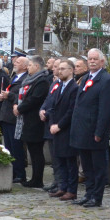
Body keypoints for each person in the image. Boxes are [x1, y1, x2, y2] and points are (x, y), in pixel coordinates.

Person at [69, 49, 110, 208]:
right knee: (87, 166)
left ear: (102, 62)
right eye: (89, 59)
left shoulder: (107, 80)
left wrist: (99, 131)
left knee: (98, 166)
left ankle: (97, 197)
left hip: (95, 130)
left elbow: (105, 109)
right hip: (82, 130)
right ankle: (88, 194)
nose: (92, 61)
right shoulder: (86, 78)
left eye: (95, 59)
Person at [45, 58, 80, 200]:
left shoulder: (74, 88)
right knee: (59, 160)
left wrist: (59, 126)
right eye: (58, 69)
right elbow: (52, 106)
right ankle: (62, 186)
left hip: (67, 129)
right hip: (55, 127)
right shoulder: (59, 86)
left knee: (70, 161)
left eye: (63, 69)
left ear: (71, 70)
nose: (59, 71)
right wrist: (52, 123)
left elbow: (71, 111)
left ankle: (71, 190)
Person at [14, 56, 50, 188]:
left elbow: (34, 99)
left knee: (36, 151)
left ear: (36, 66)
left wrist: (20, 108)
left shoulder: (42, 81)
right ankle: (34, 178)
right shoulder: (31, 80)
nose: (28, 68)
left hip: (36, 121)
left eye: (29, 65)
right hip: (27, 120)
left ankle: (37, 179)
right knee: (32, 151)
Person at [0, 53, 28, 183]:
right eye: (15, 62)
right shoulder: (15, 76)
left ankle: (20, 173)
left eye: (18, 62)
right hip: (6, 115)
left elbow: (21, 97)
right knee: (9, 146)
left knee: (16, 147)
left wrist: (9, 95)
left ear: (26, 67)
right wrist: (3, 96)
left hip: (14, 117)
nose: (15, 63)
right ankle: (12, 172)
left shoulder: (26, 79)